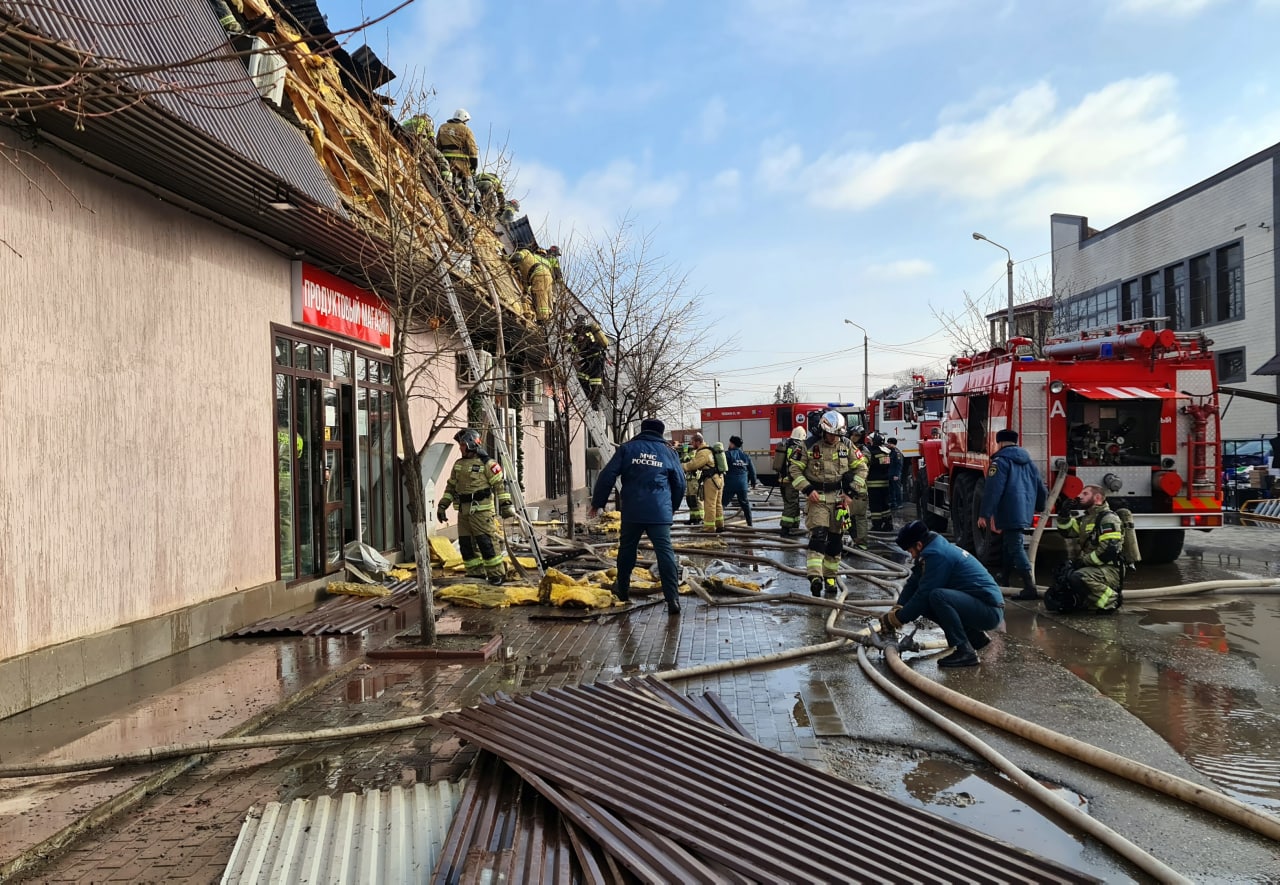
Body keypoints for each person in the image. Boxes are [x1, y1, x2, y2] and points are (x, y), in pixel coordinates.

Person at [589, 417, 686, 614]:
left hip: (633, 510)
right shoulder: (669, 452)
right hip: (659, 512)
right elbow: (680, 483)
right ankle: (672, 598)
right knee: (665, 552)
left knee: (627, 550)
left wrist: (598, 503)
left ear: (642, 430)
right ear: (660, 432)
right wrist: (672, 507)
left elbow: (607, 475)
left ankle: (622, 590)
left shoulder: (627, 449)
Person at [880, 521, 1005, 668]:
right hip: (982, 606)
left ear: (919, 545)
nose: (911, 556)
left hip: (989, 611)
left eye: (910, 551)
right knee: (928, 602)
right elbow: (914, 583)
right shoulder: (933, 548)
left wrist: (898, 619)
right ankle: (975, 638)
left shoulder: (937, 555)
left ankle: (965, 651)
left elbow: (923, 595)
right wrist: (897, 609)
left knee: (936, 596)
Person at [789, 410, 866, 595]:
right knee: (818, 537)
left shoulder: (846, 445)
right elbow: (794, 469)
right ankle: (815, 577)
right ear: (823, 430)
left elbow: (862, 468)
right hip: (818, 499)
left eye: (838, 435)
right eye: (831, 434)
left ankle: (830, 577)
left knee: (835, 541)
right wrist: (807, 489)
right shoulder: (808, 445)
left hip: (840, 499)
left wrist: (851, 492)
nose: (834, 438)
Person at [977, 429, 1049, 601]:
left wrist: (984, 514)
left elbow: (993, 490)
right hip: (1024, 510)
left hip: (1009, 510)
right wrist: (1039, 507)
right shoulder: (1029, 462)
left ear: (1000, 442)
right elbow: (1042, 489)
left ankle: (1029, 586)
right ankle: (1005, 577)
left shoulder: (1000, 462)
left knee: (1015, 546)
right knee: (1008, 543)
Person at [437, 428, 515, 584]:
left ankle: (496, 574)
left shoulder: (488, 464)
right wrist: (442, 506)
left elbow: (501, 485)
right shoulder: (459, 464)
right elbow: (451, 487)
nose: (460, 448)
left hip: (482, 512)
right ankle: (475, 573)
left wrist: (506, 504)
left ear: (471, 444)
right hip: (464, 513)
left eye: (462, 445)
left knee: (487, 543)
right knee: (467, 546)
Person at [1055, 484, 1125, 612]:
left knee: (1078, 576)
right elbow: (1067, 532)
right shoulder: (1087, 519)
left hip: (1109, 569)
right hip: (1094, 566)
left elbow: (1109, 550)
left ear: (1097, 497)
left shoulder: (1108, 518)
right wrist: (1064, 514)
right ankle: (1087, 602)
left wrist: (1082, 562)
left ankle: (1111, 601)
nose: (1079, 496)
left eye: (1085, 494)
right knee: (1062, 574)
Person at [683, 432, 723, 533]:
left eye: (693, 442)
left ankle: (709, 528)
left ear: (698, 441)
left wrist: (681, 466)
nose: (692, 445)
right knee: (718, 504)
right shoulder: (709, 450)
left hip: (711, 480)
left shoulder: (703, 452)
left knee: (709, 504)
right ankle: (720, 525)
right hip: (719, 478)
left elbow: (693, 465)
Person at [435, 109, 478, 200]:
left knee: (449, 180)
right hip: (461, 163)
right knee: (468, 184)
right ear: (463, 118)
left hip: (445, 160)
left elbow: (438, 144)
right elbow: (471, 146)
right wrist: (474, 162)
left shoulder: (443, 127)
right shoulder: (466, 129)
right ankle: (470, 206)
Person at [774, 425, 808, 537]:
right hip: (791, 480)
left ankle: (795, 525)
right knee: (791, 504)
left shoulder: (786, 444)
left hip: (782, 479)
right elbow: (794, 465)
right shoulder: (797, 447)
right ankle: (785, 529)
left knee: (791, 502)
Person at [570, 316, 609, 407]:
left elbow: (580, 346)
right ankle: (591, 399)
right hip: (592, 360)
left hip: (595, 360)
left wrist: (568, 348)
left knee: (595, 381)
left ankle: (594, 403)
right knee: (584, 376)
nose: (574, 324)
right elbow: (580, 347)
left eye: (576, 322)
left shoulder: (585, 333)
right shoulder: (586, 332)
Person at [844, 424, 871, 549]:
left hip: (859, 489)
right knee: (844, 516)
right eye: (854, 435)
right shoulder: (845, 447)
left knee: (860, 518)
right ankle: (847, 541)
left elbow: (860, 466)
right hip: (845, 489)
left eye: (858, 436)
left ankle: (861, 544)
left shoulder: (864, 451)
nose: (855, 438)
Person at [509, 249, 554, 323]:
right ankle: (546, 317)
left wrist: (508, 259)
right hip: (547, 277)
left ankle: (542, 318)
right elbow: (526, 286)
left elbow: (517, 257)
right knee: (546, 298)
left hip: (539, 275)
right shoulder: (527, 270)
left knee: (539, 296)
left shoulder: (526, 252)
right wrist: (524, 295)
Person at [722, 436, 758, 526]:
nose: (729, 445)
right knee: (745, 504)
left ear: (732, 444)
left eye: (730, 443)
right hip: (742, 485)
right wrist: (753, 483)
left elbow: (721, 468)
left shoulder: (727, 454)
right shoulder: (746, 456)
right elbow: (752, 471)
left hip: (730, 483)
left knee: (722, 504)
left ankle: (718, 523)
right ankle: (750, 523)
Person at [864, 431, 894, 532]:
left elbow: (866, 466)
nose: (870, 442)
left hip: (873, 483)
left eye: (871, 441)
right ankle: (888, 523)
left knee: (875, 505)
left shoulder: (870, 452)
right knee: (885, 505)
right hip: (885, 483)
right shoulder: (886, 452)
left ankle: (876, 525)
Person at [678, 442, 702, 525]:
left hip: (694, 479)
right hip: (689, 478)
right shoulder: (691, 453)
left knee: (696, 499)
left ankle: (700, 518)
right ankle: (693, 518)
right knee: (690, 499)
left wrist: (684, 452)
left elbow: (687, 460)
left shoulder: (696, 453)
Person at [887, 437, 904, 510]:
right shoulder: (890, 452)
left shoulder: (897, 453)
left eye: (889, 443)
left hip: (895, 474)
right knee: (891, 490)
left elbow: (899, 465)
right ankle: (893, 503)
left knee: (897, 489)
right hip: (890, 474)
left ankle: (899, 503)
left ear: (893, 444)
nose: (888, 444)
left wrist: (897, 475)